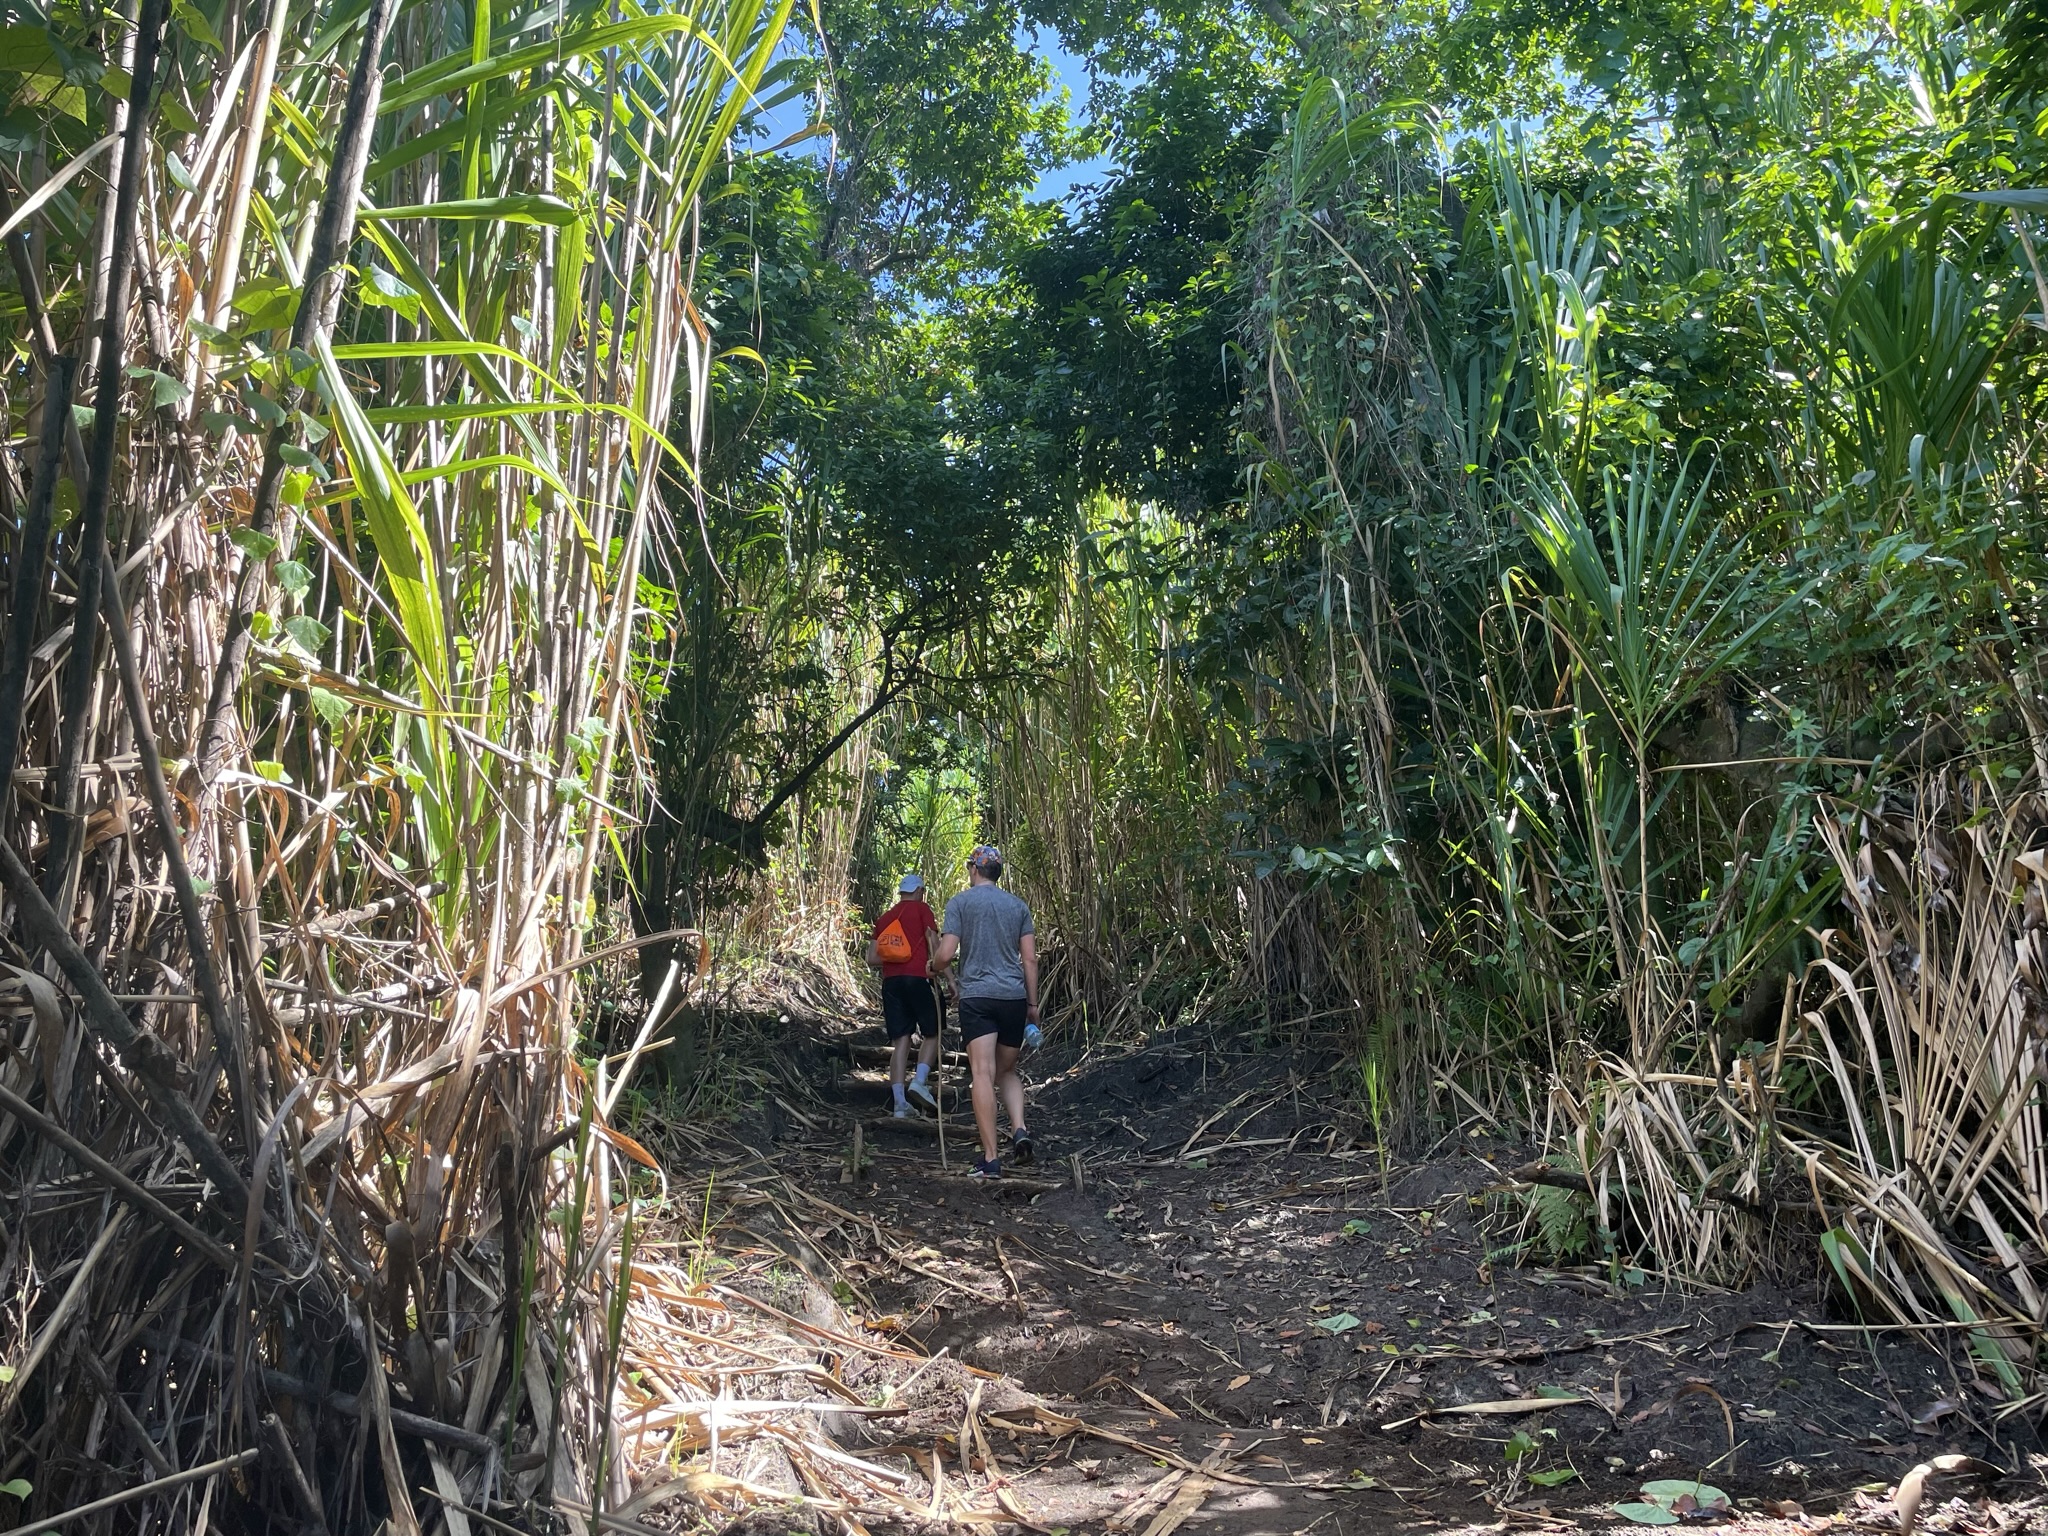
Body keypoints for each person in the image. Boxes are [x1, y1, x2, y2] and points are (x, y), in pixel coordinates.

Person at [931, 845, 1038, 1178]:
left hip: (977, 998)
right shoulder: (1018, 906)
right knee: (1007, 1070)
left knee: (981, 1073)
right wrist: (1032, 1005)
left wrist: (933, 966)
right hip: (1013, 998)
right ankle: (1019, 1129)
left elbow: (946, 953)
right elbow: (1029, 959)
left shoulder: (960, 903)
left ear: (974, 870)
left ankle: (991, 1159)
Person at [866, 874, 943, 1117]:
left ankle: (900, 1103)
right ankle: (919, 1081)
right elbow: (934, 941)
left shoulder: (885, 918)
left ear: (901, 892)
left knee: (901, 1041)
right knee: (933, 1031)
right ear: (919, 890)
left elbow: (872, 958)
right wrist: (945, 973)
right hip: (919, 978)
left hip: (892, 983)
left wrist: (897, 959)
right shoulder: (922, 909)